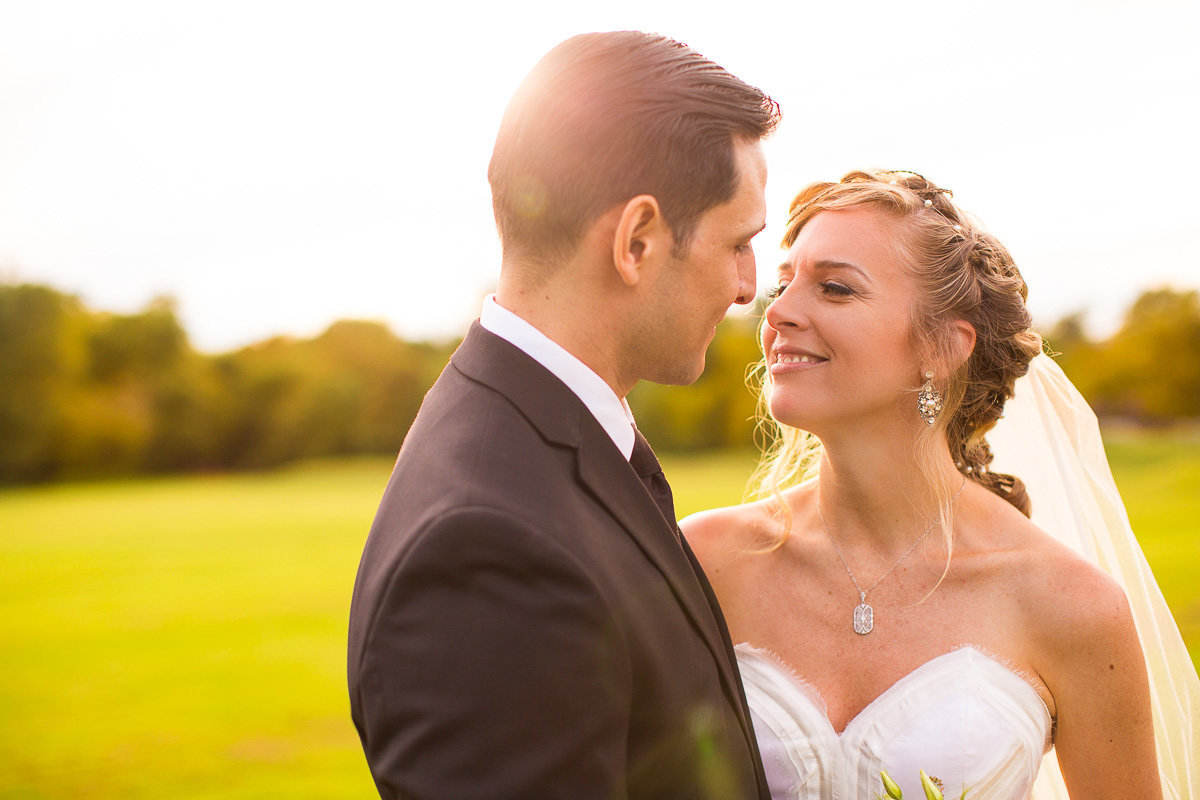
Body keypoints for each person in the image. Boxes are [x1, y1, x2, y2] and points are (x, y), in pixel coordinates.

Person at [347, 31, 780, 799]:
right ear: (637, 240)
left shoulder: (541, 431)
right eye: (739, 242)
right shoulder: (488, 553)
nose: (750, 285)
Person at [684, 170, 1199, 799]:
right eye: (784, 282)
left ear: (943, 348)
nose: (779, 312)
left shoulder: (1070, 604)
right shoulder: (706, 561)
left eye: (835, 288)